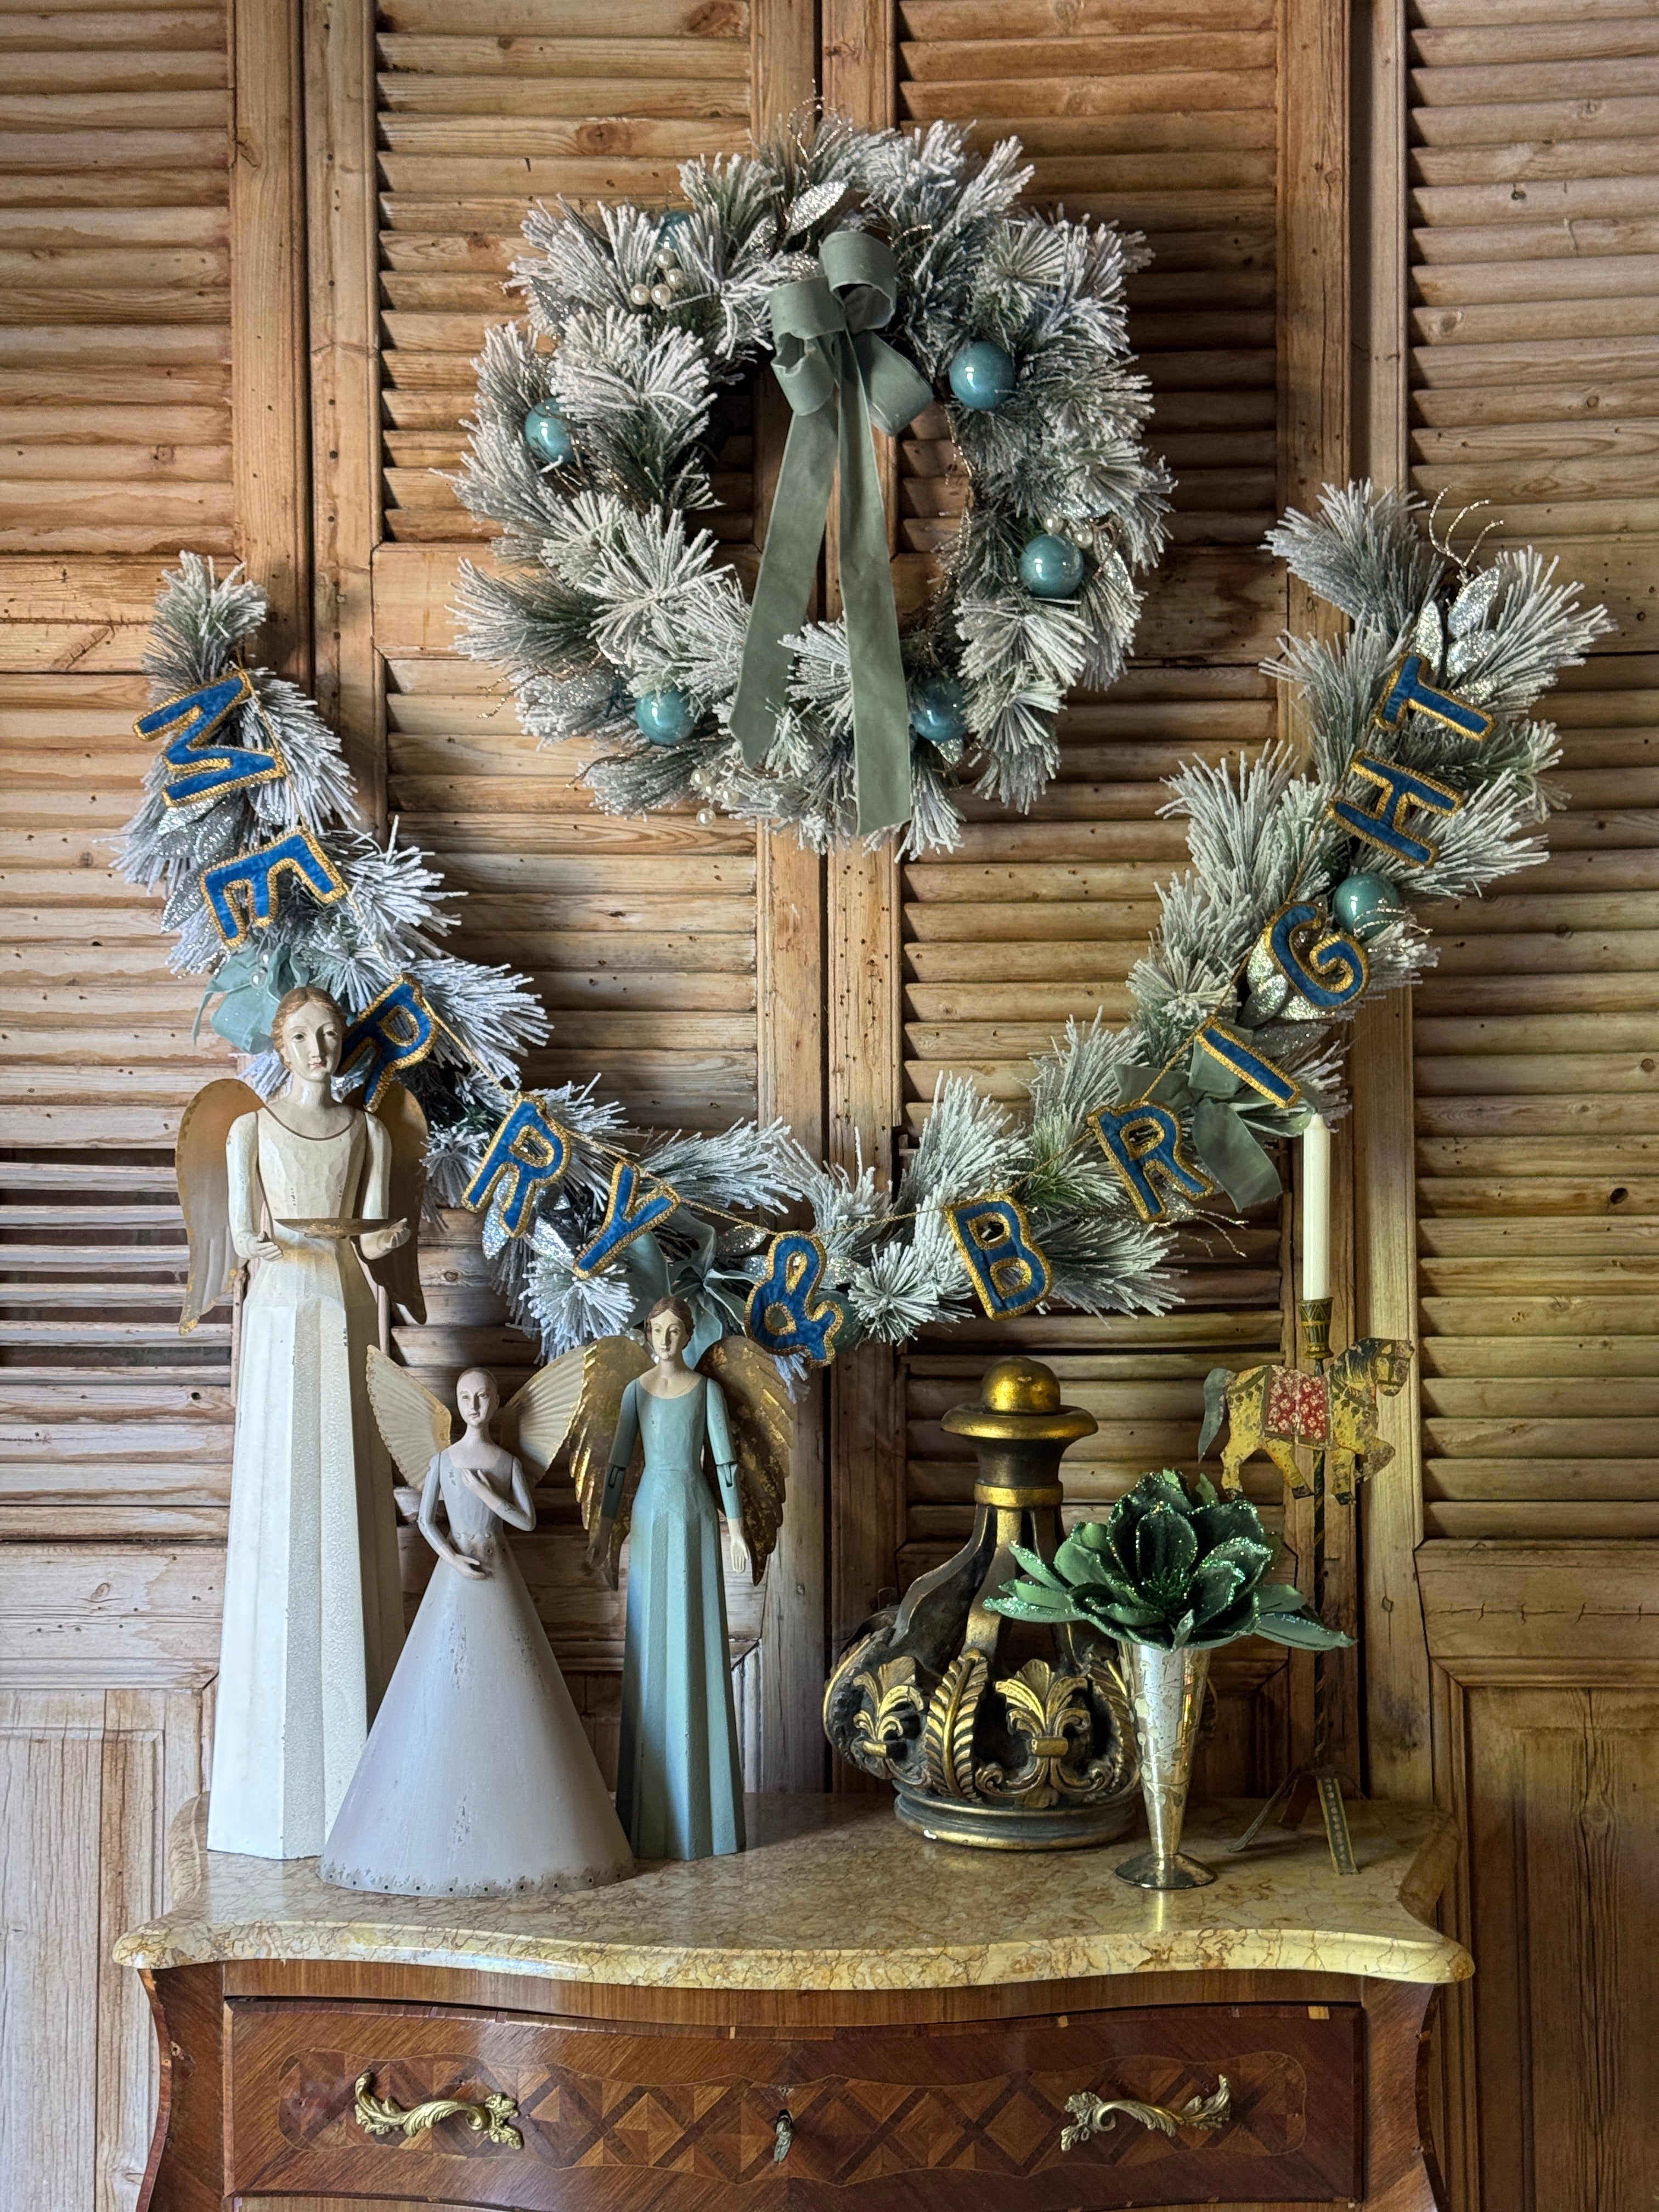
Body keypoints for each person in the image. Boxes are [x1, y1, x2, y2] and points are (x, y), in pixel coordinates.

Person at [207, 985, 408, 1859]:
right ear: (280, 1046)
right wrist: (258, 1248)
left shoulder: (370, 1134)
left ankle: (362, 1785)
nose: (319, 1047)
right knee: (285, 1492)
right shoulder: (248, 1132)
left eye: (330, 1033)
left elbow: (363, 1240)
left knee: (349, 1492)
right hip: (286, 1310)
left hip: (345, 1309)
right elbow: (246, 1237)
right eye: (301, 1035)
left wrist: (385, 1243)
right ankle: (268, 1795)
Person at [321, 1369, 634, 1897]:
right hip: (458, 1574)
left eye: (483, 1396)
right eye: (465, 1397)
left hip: (498, 1570)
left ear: (495, 1402)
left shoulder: (505, 1463)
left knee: (511, 1688)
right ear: (457, 1403)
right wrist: (452, 1558)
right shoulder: (443, 1460)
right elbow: (425, 1522)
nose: (474, 1405)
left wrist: (482, 1493)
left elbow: (526, 1521)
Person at [594, 1297, 747, 1859]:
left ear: (687, 1334)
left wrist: (738, 1530)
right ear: (648, 1333)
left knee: (697, 1636)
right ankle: (648, 1816)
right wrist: (606, 1533)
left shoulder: (708, 1392)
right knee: (652, 1640)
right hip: (652, 1510)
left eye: (674, 1330)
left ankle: (707, 1820)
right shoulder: (636, 1392)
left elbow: (726, 1463)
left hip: (694, 1510)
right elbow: (616, 1465)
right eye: (656, 1329)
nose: (664, 1338)